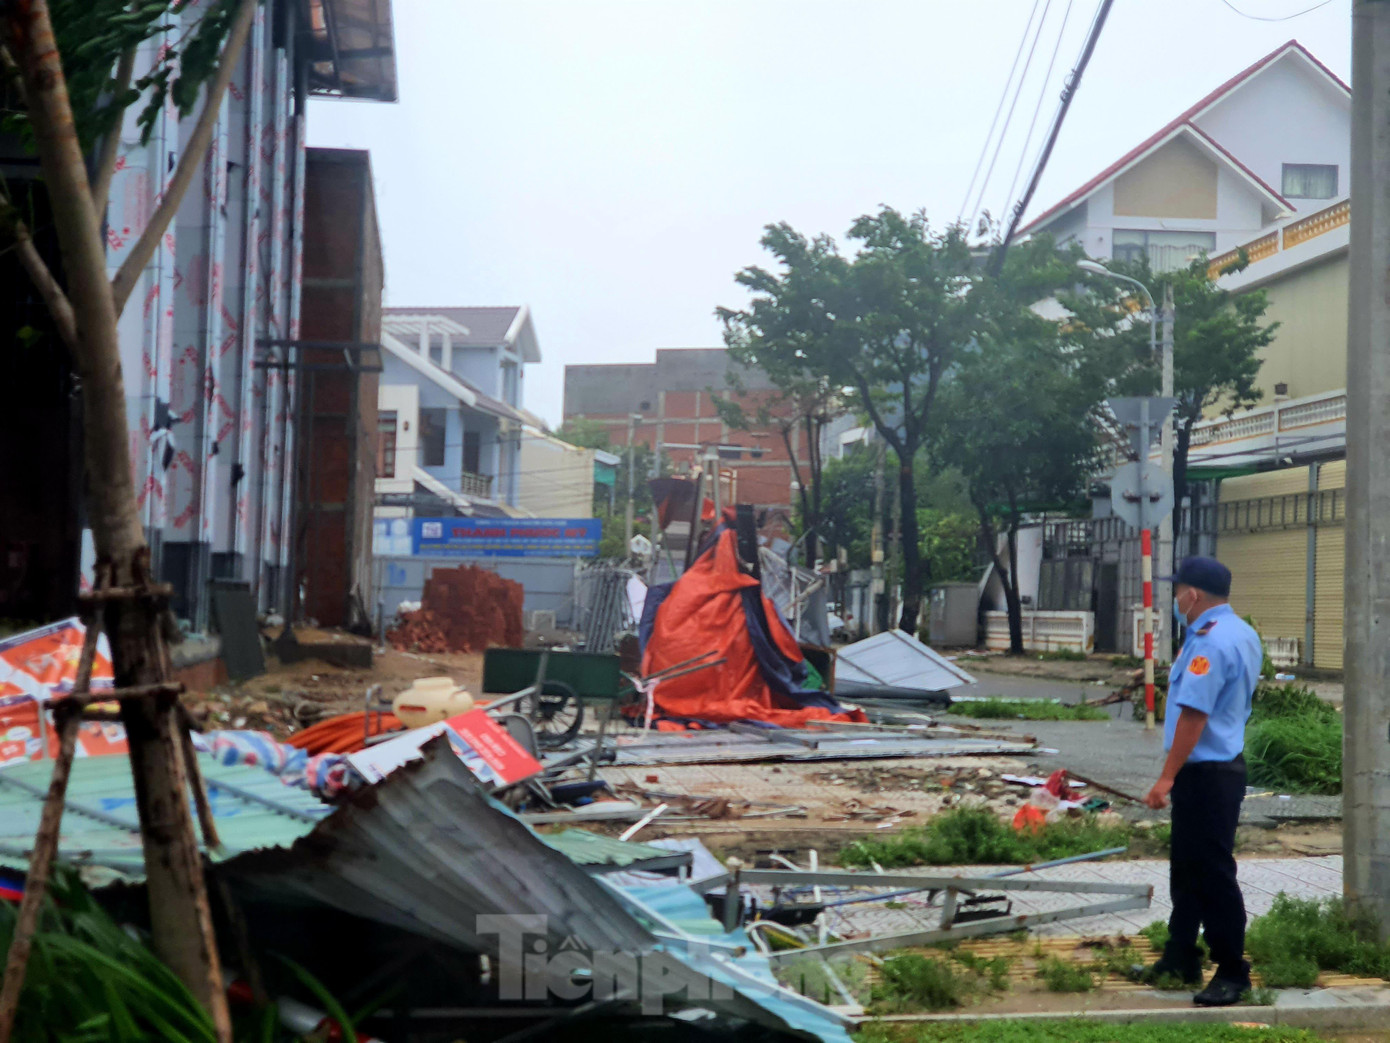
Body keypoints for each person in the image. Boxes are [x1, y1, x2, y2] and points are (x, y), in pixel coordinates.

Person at [1139, 556, 1263, 1007]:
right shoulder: (1241, 633)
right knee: (1187, 868)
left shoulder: (1209, 643)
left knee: (1211, 873)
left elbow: (1195, 713)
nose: (1175, 600)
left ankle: (1233, 970)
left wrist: (1166, 778)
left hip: (1205, 774)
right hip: (1219, 769)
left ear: (1192, 595)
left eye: (1177, 592)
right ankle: (1180, 955)